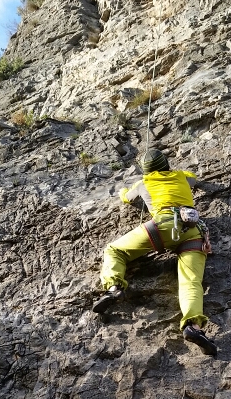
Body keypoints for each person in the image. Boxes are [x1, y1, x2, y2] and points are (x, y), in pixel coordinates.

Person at [93, 149, 217, 357]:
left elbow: (126, 197)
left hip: (159, 228)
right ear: (166, 164)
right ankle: (193, 327)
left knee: (114, 250)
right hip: (191, 230)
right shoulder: (182, 177)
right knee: (190, 282)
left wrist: (128, 189)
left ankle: (114, 288)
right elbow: (193, 178)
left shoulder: (143, 183)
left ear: (146, 170)